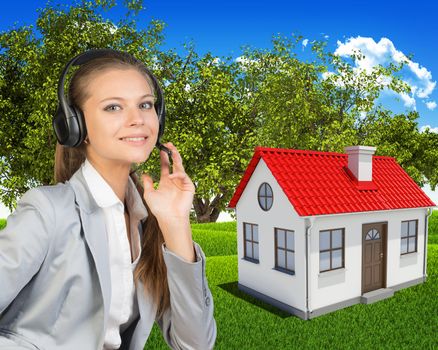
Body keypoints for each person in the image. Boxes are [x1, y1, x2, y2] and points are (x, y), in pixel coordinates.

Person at [0, 49, 216, 350]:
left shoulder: (148, 223)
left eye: (145, 104)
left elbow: (195, 345)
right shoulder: (47, 211)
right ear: (75, 126)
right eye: (113, 107)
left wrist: (175, 223)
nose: (137, 119)